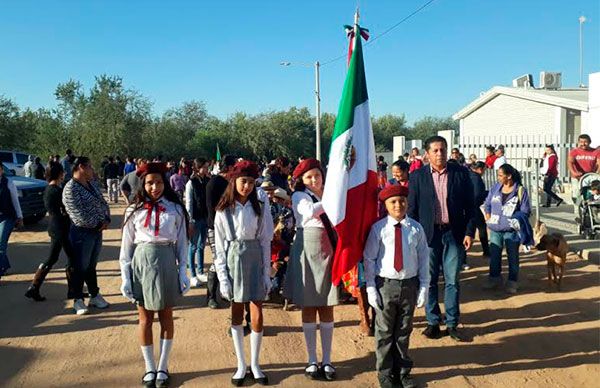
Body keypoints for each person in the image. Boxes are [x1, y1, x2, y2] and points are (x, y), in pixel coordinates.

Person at [119, 162, 191, 388]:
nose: (155, 187)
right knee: (145, 318)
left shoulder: (175, 208)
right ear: (143, 183)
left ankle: (163, 365)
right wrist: (125, 276)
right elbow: (126, 246)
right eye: (150, 183)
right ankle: (149, 367)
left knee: (166, 316)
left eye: (159, 182)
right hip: (142, 262)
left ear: (165, 182)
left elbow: (182, 243)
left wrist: (183, 271)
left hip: (167, 260)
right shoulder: (134, 210)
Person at [407, 135, 475, 341]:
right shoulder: (417, 177)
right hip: (428, 235)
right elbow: (412, 209)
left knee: (452, 280)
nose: (440, 154)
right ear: (426, 154)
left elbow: (470, 207)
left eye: (443, 150)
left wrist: (469, 232)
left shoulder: (461, 174)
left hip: (453, 234)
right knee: (429, 281)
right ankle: (433, 321)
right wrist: (414, 235)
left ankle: (452, 322)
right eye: (435, 150)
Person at [214, 160, 273, 386]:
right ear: (233, 181)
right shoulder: (224, 210)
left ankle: (255, 363)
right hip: (233, 260)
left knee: (257, 312)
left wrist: (267, 272)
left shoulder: (260, 205)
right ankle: (241, 364)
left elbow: (266, 239)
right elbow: (219, 248)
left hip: (255, 257)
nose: (247, 186)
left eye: (250, 182)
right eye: (243, 181)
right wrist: (223, 279)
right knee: (237, 311)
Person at [364, 184, 430, 388]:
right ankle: (385, 374)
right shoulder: (379, 229)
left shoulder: (416, 228)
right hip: (386, 285)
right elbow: (369, 259)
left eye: (402, 201)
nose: (398, 205)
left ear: (407, 203)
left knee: (403, 330)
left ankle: (402, 371)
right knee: (384, 332)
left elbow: (423, 258)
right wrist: (371, 287)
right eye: (393, 202)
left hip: (409, 284)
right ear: (386, 205)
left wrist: (424, 286)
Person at [284, 158, 339, 381]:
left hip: (327, 247)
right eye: (309, 177)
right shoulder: (300, 196)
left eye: (317, 175)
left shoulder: (328, 193)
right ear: (302, 180)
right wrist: (334, 197)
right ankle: (311, 359)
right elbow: (308, 212)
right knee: (308, 305)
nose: (314, 180)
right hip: (306, 247)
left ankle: (327, 359)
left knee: (326, 304)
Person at [62, 157, 111, 315]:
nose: (92, 170)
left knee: (91, 266)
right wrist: (96, 224)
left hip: (96, 231)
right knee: (80, 267)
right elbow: (76, 213)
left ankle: (94, 295)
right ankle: (77, 299)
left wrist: (106, 218)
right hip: (82, 232)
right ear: (81, 167)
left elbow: (103, 202)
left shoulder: (92, 184)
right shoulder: (70, 188)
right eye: (90, 167)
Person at [25, 162, 75, 301]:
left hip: (55, 226)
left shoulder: (48, 189)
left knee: (54, 258)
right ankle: (71, 290)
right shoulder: (57, 191)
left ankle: (35, 287)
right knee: (70, 258)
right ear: (59, 174)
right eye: (62, 172)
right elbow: (64, 209)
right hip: (60, 227)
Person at [483, 163, 531, 294]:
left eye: (500, 175)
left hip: (511, 231)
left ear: (509, 176)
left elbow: (525, 211)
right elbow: (487, 204)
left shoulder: (520, 190)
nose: (498, 177)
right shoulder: (495, 188)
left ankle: (512, 281)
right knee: (494, 255)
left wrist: (515, 220)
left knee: (513, 257)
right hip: (495, 229)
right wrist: (488, 217)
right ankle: (494, 278)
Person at [205, 154, 237, 309]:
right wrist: (214, 226)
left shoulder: (231, 182)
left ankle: (225, 291)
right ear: (230, 167)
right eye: (234, 167)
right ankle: (211, 296)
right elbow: (211, 209)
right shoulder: (214, 182)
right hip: (215, 227)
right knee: (218, 259)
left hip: (231, 227)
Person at [185, 158, 210, 287]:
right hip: (195, 218)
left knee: (201, 245)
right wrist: (190, 220)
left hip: (205, 217)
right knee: (193, 246)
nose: (207, 169)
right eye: (204, 167)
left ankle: (200, 271)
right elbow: (188, 203)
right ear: (198, 168)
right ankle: (193, 275)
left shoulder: (207, 180)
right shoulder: (191, 183)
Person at [0, 163, 24, 282]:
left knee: (1, 243)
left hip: (7, 217)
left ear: (1, 170)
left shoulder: (8, 183)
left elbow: (15, 201)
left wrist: (20, 217)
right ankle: (4, 265)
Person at [568, 134, 600, 210]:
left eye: (585, 142)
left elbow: (599, 163)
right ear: (578, 142)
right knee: (577, 195)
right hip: (577, 177)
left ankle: (592, 210)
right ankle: (578, 212)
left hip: (591, 176)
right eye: (581, 142)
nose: (583, 144)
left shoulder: (596, 151)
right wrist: (574, 172)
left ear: (590, 142)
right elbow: (570, 163)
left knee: (592, 193)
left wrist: (597, 172)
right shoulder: (574, 151)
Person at [467, 162, 490, 258]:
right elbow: (477, 195)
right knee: (479, 229)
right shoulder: (476, 179)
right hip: (474, 208)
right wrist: (487, 194)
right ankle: (486, 250)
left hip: (469, 207)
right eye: (484, 169)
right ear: (480, 169)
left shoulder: (469, 175)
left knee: (471, 230)